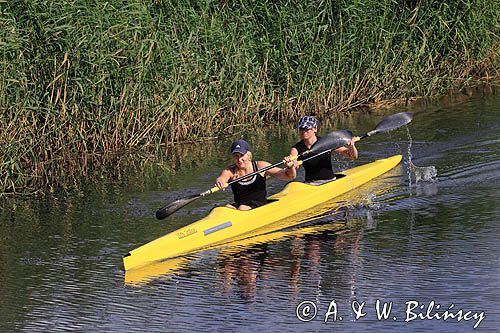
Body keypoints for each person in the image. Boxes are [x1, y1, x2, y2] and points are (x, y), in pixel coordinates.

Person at [215, 139, 297, 210]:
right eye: (236, 156)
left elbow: (289, 176)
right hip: (240, 206)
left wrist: (290, 167)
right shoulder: (230, 171)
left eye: (242, 155)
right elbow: (222, 178)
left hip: (259, 206)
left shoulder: (261, 166)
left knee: (242, 208)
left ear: (249, 155)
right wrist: (220, 182)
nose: (239, 159)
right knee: (223, 208)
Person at [288, 116, 358, 184]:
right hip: (310, 184)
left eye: (307, 129)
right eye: (301, 128)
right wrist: (292, 164)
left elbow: (352, 156)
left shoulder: (326, 142)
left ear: (315, 129)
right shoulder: (296, 148)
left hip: (329, 181)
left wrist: (352, 146)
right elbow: (292, 159)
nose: (303, 131)